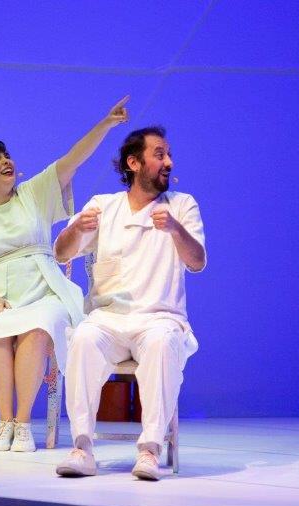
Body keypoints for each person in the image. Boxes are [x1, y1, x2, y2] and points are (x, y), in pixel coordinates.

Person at [0, 96, 130, 453]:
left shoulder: (33, 193)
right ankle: (5, 421)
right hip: (1, 296)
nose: (6, 161)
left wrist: (105, 123)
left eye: (6, 155)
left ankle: (23, 423)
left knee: (40, 325)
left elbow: (73, 159)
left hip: (45, 290)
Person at [54, 126, 206, 479]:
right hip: (109, 319)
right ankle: (82, 448)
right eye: (159, 155)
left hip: (159, 318)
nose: (168, 162)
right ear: (134, 163)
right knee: (84, 338)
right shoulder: (103, 206)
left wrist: (176, 230)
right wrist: (75, 230)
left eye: (169, 155)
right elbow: (61, 252)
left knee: (163, 342)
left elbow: (197, 262)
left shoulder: (181, 205)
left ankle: (150, 451)